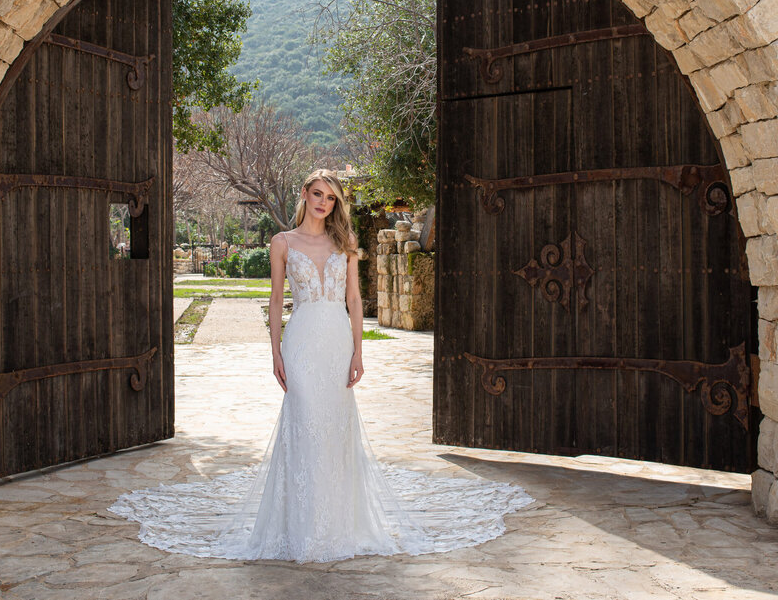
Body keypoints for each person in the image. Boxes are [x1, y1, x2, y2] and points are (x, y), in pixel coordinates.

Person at [109, 169, 532, 562]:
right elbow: (276, 300)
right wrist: (274, 351)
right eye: (317, 194)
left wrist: (358, 351)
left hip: (335, 342)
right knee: (305, 423)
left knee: (334, 429)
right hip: (301, 342)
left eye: (331, 197)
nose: (323, 203)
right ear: (304, 195)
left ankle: (338, 524)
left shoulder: (344, 243)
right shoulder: (282, 243)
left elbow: (353, 299)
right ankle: (301, 528)